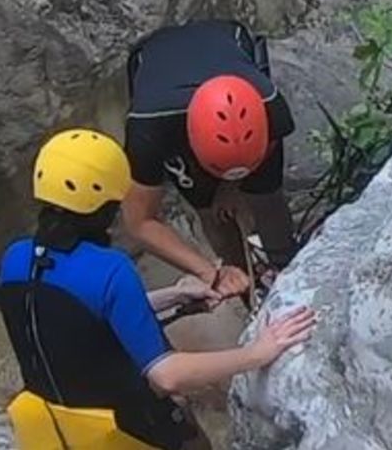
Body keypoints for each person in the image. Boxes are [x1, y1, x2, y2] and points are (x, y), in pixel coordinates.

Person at [0, 128, 316, 449]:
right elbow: (167, 375)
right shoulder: (111, 269)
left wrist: (174, 297)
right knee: (187, 428)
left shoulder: (15, 258)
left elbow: (76, 317)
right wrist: (257, 353)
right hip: (121, 431)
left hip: (49, 427)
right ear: (106, 205)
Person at [120, 20, 299, 303]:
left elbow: (270, 143)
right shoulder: (150, 129)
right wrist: (209, 271)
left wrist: (234, 187)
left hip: (228, 39)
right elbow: (139, 221)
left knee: (266, 196)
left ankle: (288, 265)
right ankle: (242, 285)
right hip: (157, 67)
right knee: (209, 208)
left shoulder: (269, 104)